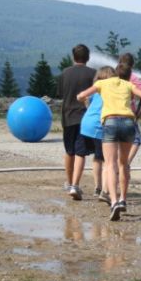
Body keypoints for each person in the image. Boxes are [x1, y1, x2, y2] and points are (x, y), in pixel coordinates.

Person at [77, 61, 141, 221]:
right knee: (123, 163)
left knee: (110, 164)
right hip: (128, 122)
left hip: (110, 122)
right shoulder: (127, 84)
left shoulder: (102, 83)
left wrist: (80, 99)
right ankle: (123, 198)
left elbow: (83, 95)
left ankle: (114, 201)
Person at [58, 44, 96, 200]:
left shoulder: (64, 73)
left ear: (73, 57)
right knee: (81, 152)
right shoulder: (93, 74)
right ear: (88, 58)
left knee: (69, 151)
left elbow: (60, 94)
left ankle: (69, 182)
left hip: (67, 117)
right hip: (86, 118)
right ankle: (75, 185)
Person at [79, 66, 116, 205]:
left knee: (96, 158)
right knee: (108, 161)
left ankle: (97, 187)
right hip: (100, 127)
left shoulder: (96, 90)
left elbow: (86, 102)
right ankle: (105, 191)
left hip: (86, 125)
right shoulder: (112, 91)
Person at [118, 52, 141, 199]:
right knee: (137, 140)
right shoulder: (134, 78)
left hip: (111, 115)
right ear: (133, 65)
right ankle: (126, 163)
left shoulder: (113, 75)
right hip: (129, 115)